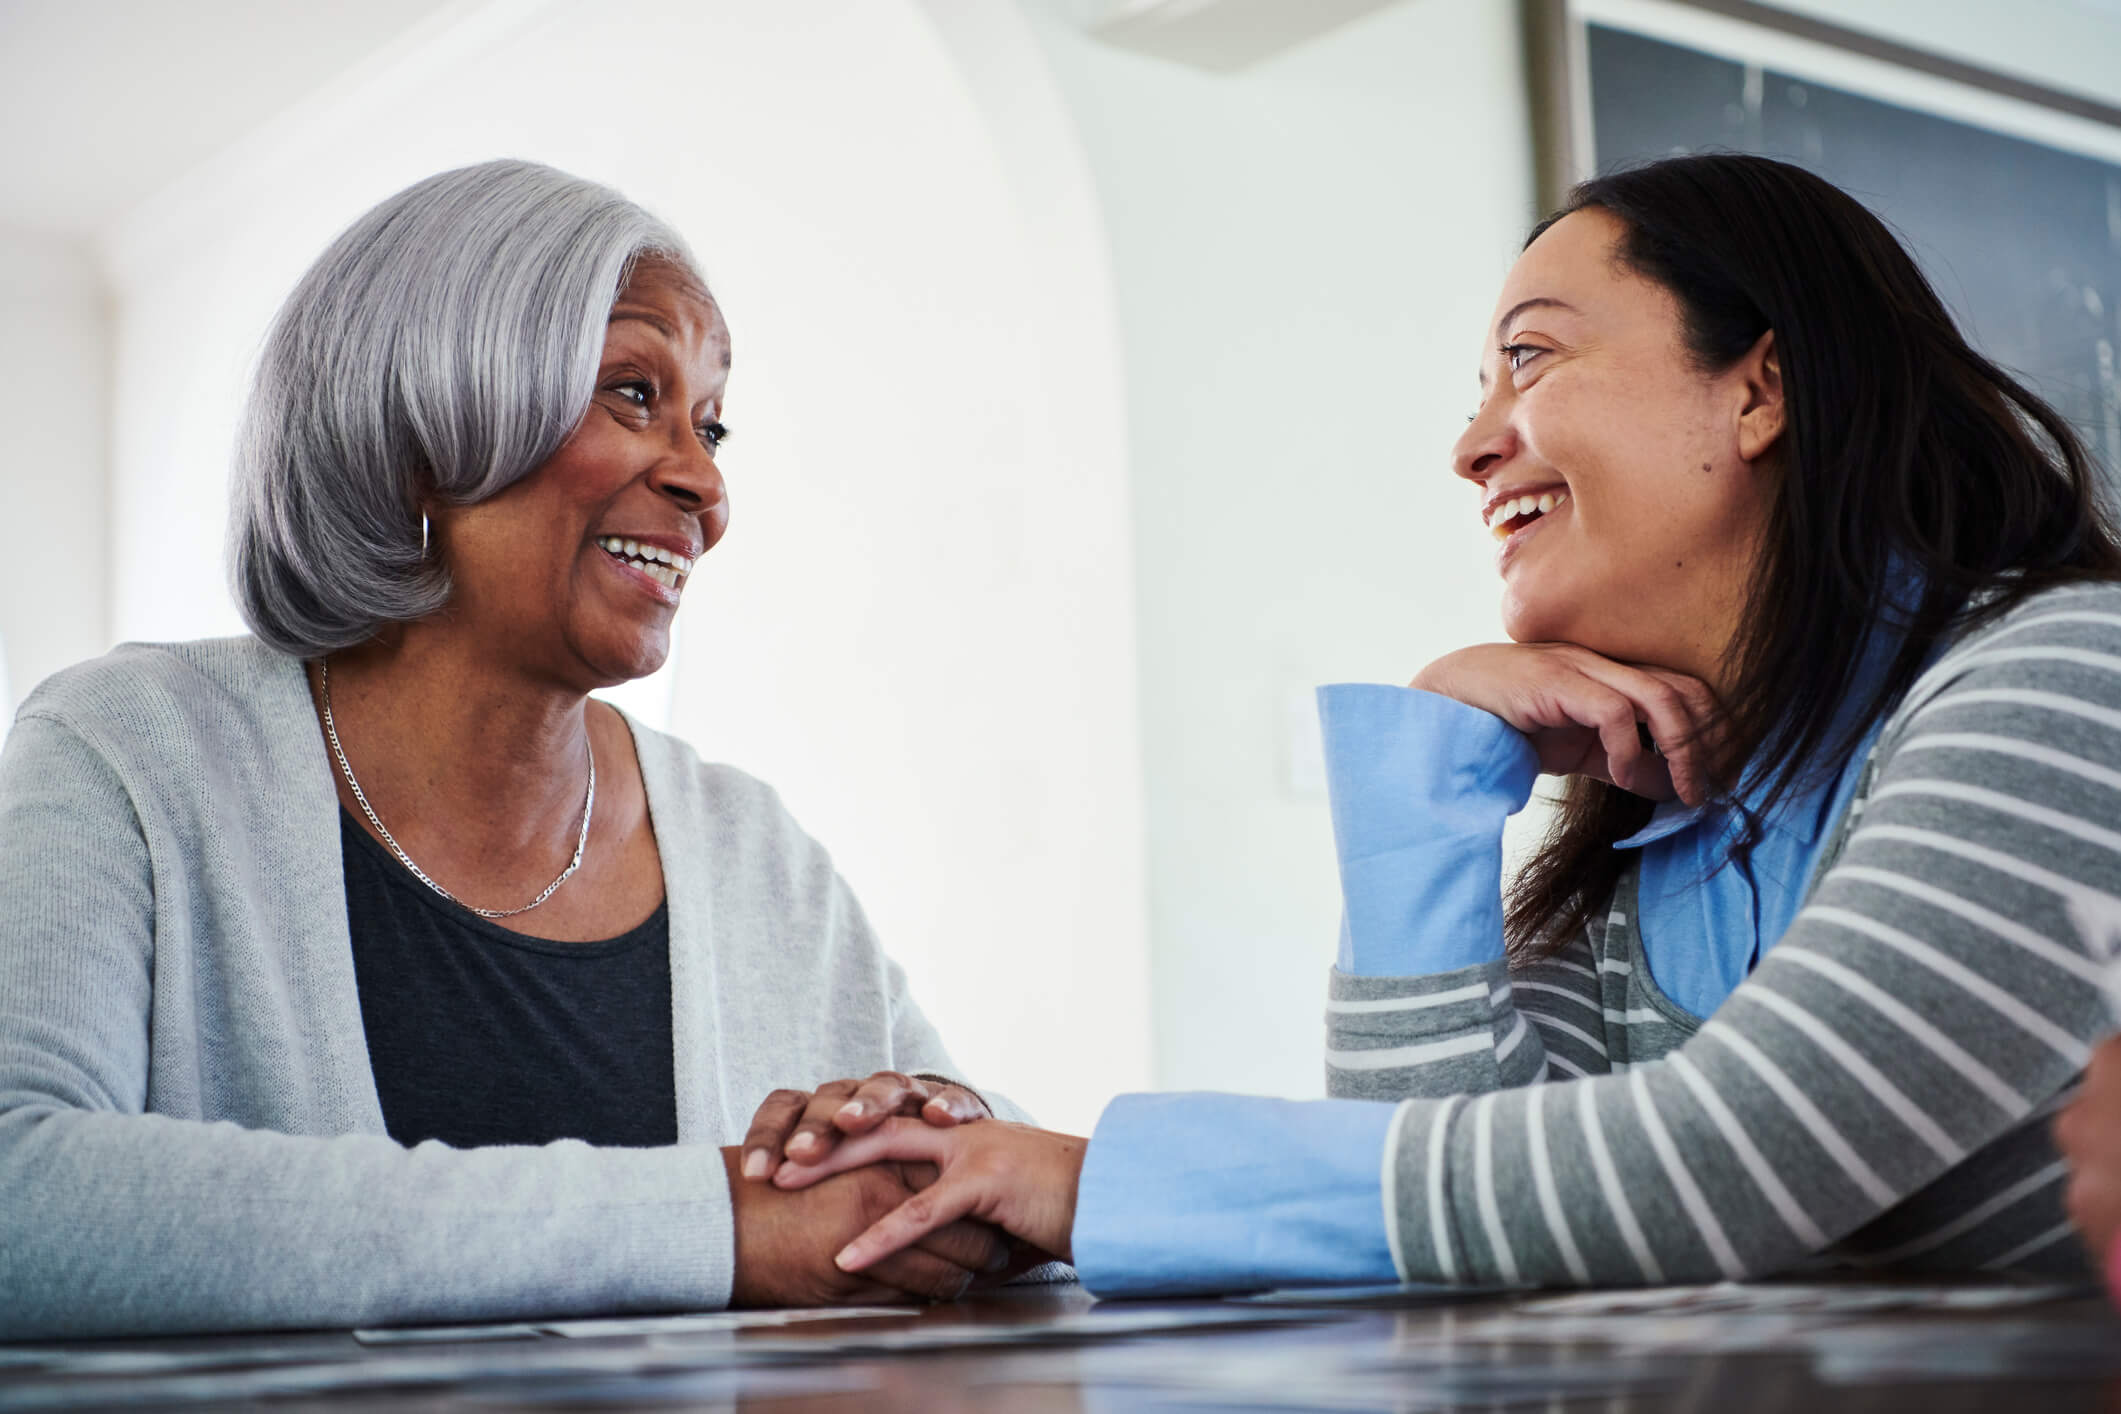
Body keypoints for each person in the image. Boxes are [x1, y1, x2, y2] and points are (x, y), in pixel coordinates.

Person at [751, 153, 2121, 1295]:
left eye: (1527, 358)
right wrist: (1431, 768)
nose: (1472, 445)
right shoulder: (1662, 824)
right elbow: (1469, 1225)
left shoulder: (2064, 678)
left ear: (1758, 388)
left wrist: (1100, 1179)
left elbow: (1719, 1166)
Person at [0, 160, 1031, 1339]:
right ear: (431, 430)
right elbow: (21, 1200)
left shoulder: (753, 851)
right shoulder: (130, 751)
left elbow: (988, 1158)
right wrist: (718, 1225)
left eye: (710, 421)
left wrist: (926, 1131)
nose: (705, 482)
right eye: (634, 394)